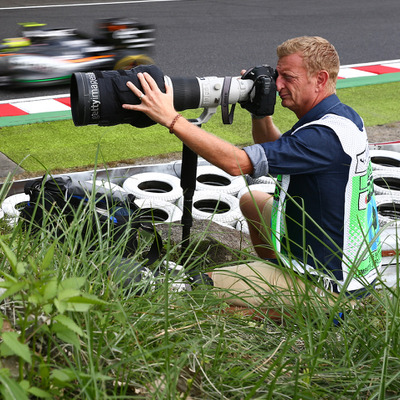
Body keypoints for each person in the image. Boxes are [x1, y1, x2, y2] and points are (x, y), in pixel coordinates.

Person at [122, 36, 382, 312]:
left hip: (331, 286)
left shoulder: (323, 137)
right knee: (251, 199)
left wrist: (171, 118)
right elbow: (274, 148)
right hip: (345, 264)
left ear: (319, 79)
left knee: (198, 288)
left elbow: (238, 164)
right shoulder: (341, 118)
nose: (279, 84)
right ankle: (275, 277)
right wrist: (261, 113)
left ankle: (294, 305)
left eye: (288, 77)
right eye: (277, 75)